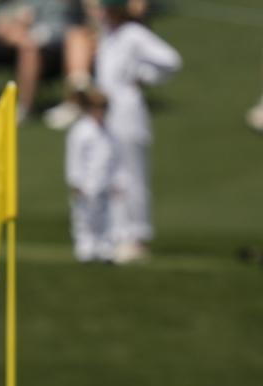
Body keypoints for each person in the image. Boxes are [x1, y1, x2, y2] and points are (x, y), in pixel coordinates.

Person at [95, 0, 180, 263]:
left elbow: (171, 60)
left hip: (127, 108)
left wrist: (143, 76)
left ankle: (137, 236)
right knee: (114, 173)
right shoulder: (108, 35)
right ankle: (119, 233)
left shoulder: (134, 33)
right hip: (107, 110)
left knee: (132, 174)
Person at [65, 87, 119, 262]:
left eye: (104, 108)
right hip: (86, 182)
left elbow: (113, 157)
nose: (100, 112)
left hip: (104, 181)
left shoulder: (109, 130)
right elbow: (74, 157)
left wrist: (116, 180)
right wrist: (75, 181)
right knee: (84, 217)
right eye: (97, 107)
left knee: (105, 217)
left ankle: (104, 247)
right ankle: (85, 248)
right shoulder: (81, 131)